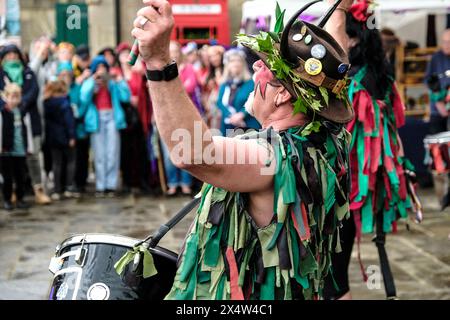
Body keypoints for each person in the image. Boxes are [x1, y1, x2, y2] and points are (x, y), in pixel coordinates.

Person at [131, 0, 353, 300]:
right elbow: (332, 67)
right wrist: (338, 10)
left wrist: (159, 63)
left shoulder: (273, 157)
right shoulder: (329, 136)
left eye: (265, 65)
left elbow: (192, 152)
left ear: (283, 94)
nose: (256, 66)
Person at [323, 0, 421, 300]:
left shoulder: (354, 84)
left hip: (342, 185)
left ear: (350, 39)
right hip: (352, 189)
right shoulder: (376, 75)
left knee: (333, 273)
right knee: (334, 269)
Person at [0, 44, 51, 205]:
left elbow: (33, 91)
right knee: (8, 160)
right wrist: (6, 106)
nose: (12, 58)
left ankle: (38, 189)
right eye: (9, 55)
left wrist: (20, 105)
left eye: (15, 55)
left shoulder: (28, 73)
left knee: (33, 156)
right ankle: (12, 191)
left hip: (28, 118)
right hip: (6, 120)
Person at [80, 55, 130, 197]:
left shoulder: (112, 82)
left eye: (104, 68)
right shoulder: (91, 81)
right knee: (99, 154)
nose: (101, 71)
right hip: (97, 119)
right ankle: (101, 186)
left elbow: (125, 97)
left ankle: (111, 186)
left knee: (112, 152)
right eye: (99, 68)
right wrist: (92, 80)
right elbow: (84, 97)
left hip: (112, 118)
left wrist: (119, 80)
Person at [117, 42, 152, 193]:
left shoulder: (138, 73)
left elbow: (148, 84)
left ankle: (142, 181)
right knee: (126, 150)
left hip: (139, 115)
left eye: (128, 54)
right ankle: (127, 182)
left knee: (140, 149)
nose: (125, 57)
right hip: (124, 115)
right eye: (122, 54)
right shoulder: (116, 75)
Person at [0, 83, 32, 211]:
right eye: (12, 96)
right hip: (6, 151)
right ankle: (7, 199)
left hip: (20, 150)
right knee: (7, 178)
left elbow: (27, 130)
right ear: (6, 97)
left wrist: (28, 147)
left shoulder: (22, 112)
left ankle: (20, 198)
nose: (14, 100)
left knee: (21, 176)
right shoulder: (3, 113)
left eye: (17, 97)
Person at [43, 79, 76, 201]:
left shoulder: (47, 103)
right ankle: (68, 187)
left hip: (52, 137)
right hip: (65, 137)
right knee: (70, 161)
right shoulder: (65, 104)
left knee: (56, 163)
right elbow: (69, 122)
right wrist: (72, 136)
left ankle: (57, 189)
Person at [216, 48, 259, 135]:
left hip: (247, 124)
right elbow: (219, 102)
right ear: (227, 64)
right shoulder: (224, 84)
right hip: (228, 125)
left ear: (243, 64)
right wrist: (231, 116)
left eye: (238, 60)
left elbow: (255, 101)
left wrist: (241, 115)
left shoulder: (251, 83)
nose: (235, 63)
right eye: (232, 61)